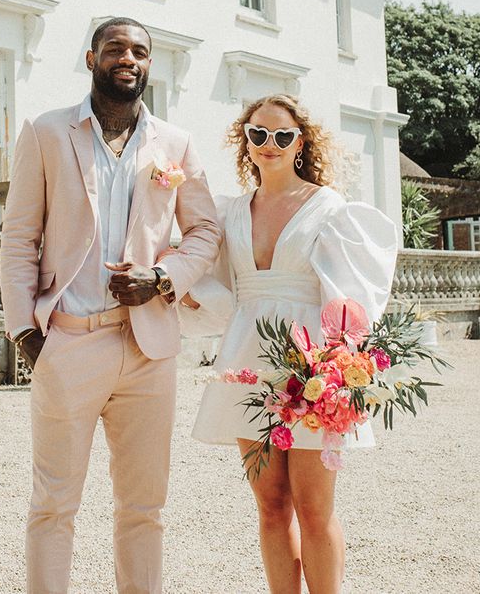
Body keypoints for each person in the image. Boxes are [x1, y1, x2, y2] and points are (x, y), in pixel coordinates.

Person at [0, 16, 221, 594]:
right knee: (53, 505)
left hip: (149, 348)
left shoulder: (174, 144)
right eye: (116, 48)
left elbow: (204, 232)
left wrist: (162, 277)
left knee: (144, 507)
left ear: (150, 64)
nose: (129, 58)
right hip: (69, 341)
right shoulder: (46, 132)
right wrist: (25, 332)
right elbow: (20, 237)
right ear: (91, 56)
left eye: (141, 51)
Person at [178, 94, 397, 594]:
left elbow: (352, 297)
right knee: (271, 505)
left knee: (314, 508)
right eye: (258, 134)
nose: (269, 144)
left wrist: (342, 367)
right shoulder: (228, 212)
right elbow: (219, 292)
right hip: (246, 363)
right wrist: (181, 289)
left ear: (300, 142)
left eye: (281, 135)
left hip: (311, 366)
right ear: (245, 141)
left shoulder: (329, 207)